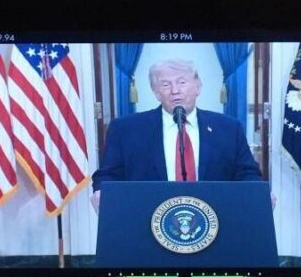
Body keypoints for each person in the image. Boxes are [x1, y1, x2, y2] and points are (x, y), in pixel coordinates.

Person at [90, 58, 263, 211]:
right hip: (146, 219)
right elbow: (107, 175)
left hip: (216, 219)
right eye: (166, 85)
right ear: (156, 93)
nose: (175, 91)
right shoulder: (125, 129)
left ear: (198, 87)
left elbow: (247, 173)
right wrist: (101, 192)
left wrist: (259, 193)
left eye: (182, 82)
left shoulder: (228, 128)